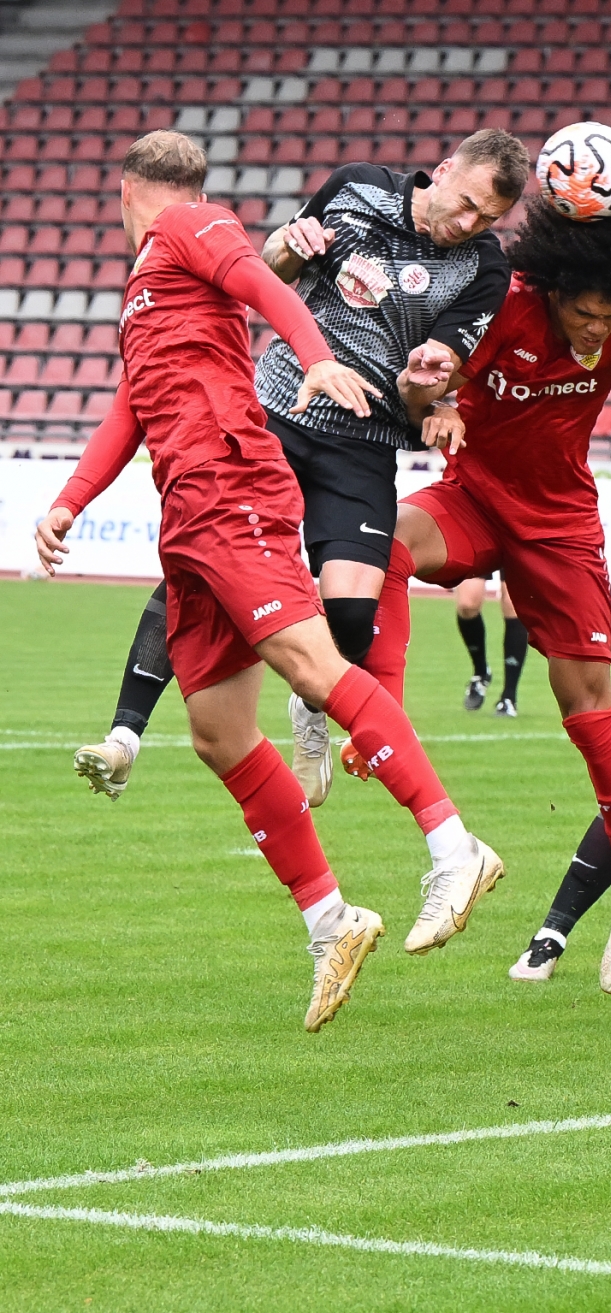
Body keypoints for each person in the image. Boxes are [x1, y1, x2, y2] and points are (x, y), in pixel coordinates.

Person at [37, 132, 501, 1028]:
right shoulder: (145, 289)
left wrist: (314, 350)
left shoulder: (186, 225)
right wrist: (68, 502)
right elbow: (133, 406)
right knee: (217, 732)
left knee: (311, 663)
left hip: (228, 477)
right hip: (186, 505)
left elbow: (260, 276)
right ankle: (332, 919)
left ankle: (453, 844)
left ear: (126, 188)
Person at [72, 131, 528, 805]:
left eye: (487, 219)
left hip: (366, 437)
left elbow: (432, 371)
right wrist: (289, 244)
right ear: (442, 171)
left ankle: (307, 710)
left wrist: (430, 386)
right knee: (199, 562)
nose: (471, 225)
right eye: (466, 205)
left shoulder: (485, 268)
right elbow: (272, 268)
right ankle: (126, 731)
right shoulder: (356, 187)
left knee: (348, 614)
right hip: (275, 416)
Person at [359, 195, 611, 990]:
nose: (595, 329)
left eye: (608, 316)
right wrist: (442, 405)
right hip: (473, 494)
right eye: (582, 313)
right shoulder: (505, 304)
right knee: (383, 543)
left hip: (559, 525)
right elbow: (426, 381)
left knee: (585, 704)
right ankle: (373, 710)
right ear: (552, 289)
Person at [452, 575, 524, 714]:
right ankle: (481, 672)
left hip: (517, 552)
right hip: (481, 551)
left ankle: (509, 696)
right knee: (467, 605)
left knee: (512, 603)